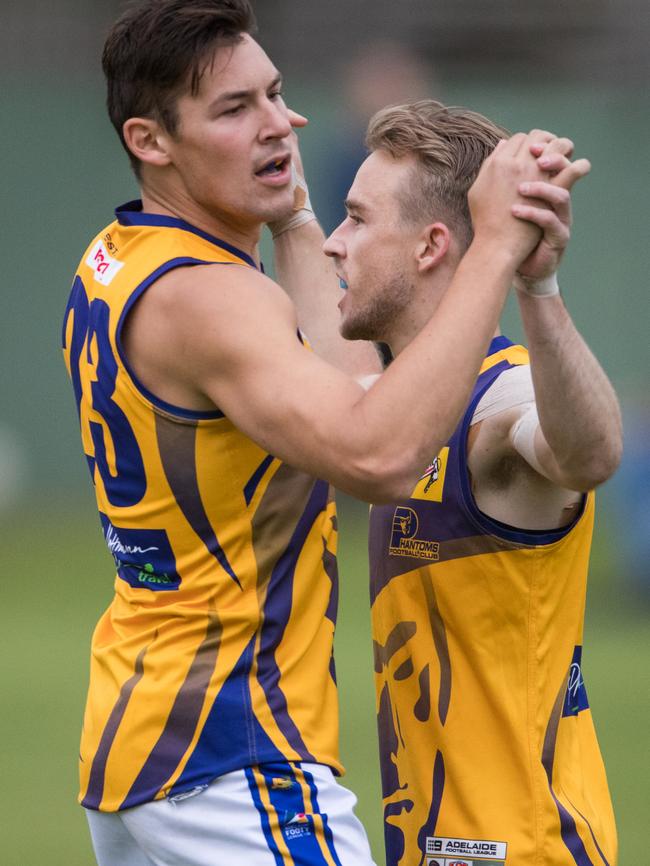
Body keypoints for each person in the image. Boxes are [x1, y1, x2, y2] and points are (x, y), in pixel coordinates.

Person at [61, 1, 584, 863]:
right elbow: (374, 453)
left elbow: (349, 389)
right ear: (150, 141)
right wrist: (493, 250)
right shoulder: (212, 298)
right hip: (234, 752)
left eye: (275, 95)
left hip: (139, 737)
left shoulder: (118, 254)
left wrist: (296, 218)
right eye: (235, 110)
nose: (278, 125)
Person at [321, 100, 622, 866]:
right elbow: (334, 376)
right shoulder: (402, 417)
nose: (334, 242)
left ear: (429, 246)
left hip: (524, 851)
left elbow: (585, 455)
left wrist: (539, 289)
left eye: (356, 219)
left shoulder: (498, 402)